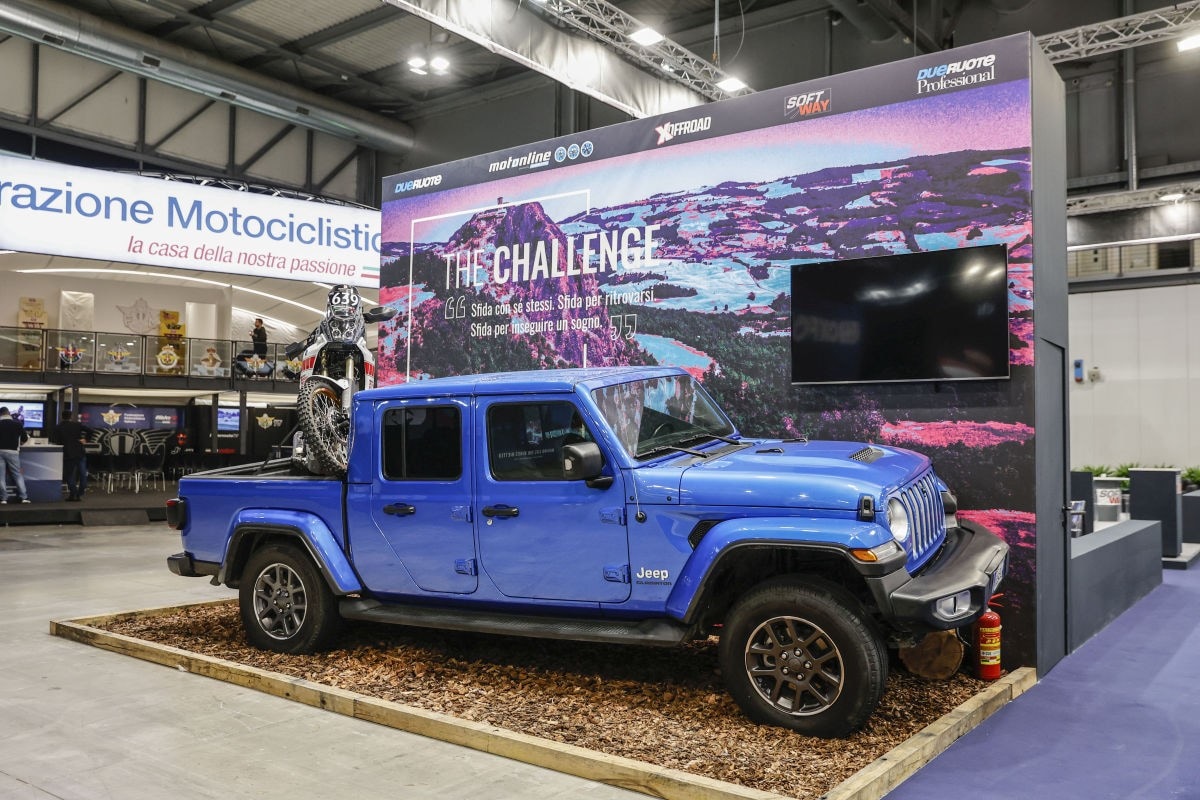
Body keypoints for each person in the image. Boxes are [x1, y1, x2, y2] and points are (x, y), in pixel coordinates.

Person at [56, 410, 90, 502]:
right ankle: (80, 493)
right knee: (83, 474)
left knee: (69, 475)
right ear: (70, 416)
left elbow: (57, 441)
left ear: (62, 417)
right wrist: (85, 439)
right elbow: (91, 430)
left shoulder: (59, 427)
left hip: (68, 454)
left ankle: (73, 493)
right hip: (80, 452)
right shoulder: (77, 425)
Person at [0, 406, 31, 504]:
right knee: (17, 475)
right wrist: (20, 443)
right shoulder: (17, 424)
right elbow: (25, 438)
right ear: (9, 413)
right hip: (13, 452)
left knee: (1, 476)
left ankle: (3, 499)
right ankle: (24, 497)